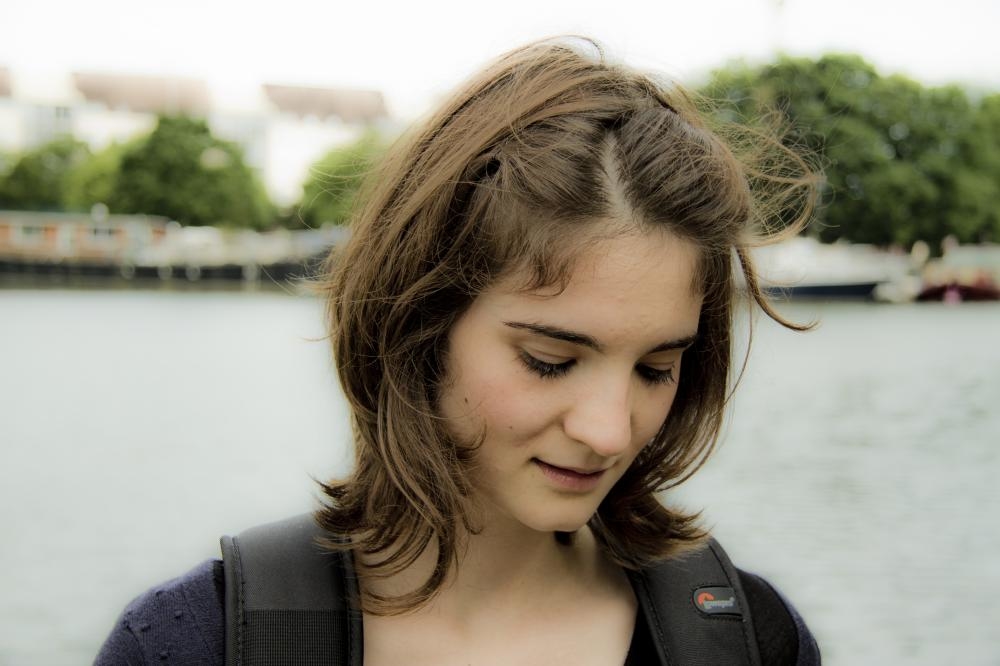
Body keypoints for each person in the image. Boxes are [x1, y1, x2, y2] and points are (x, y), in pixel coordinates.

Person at [97, 38, 821, 665]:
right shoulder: (194, 643)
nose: (608, 431)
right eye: (549, 360)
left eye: (656, 369)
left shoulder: (746, 641)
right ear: (419, 326)